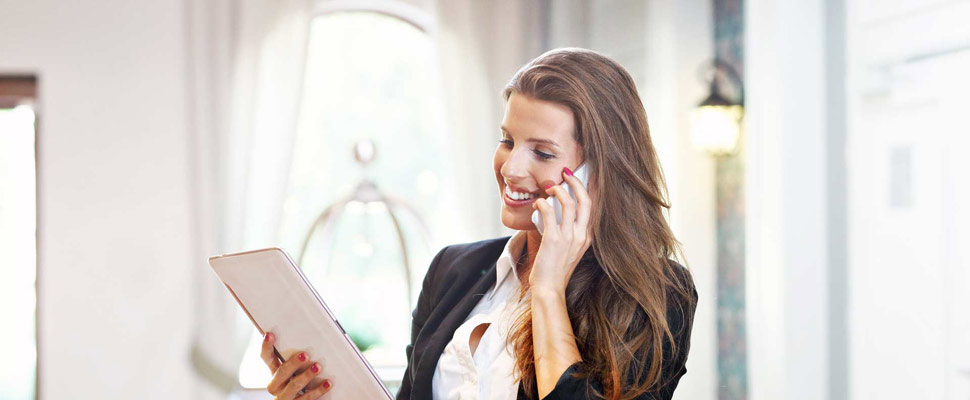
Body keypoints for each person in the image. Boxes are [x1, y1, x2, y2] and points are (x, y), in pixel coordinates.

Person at [260, 47, 697, 400]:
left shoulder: (657, 294)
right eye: (507, 141)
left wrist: (547, 289)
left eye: (542, 153)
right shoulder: (454, 270)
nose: (510, 168)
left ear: (598, 176)